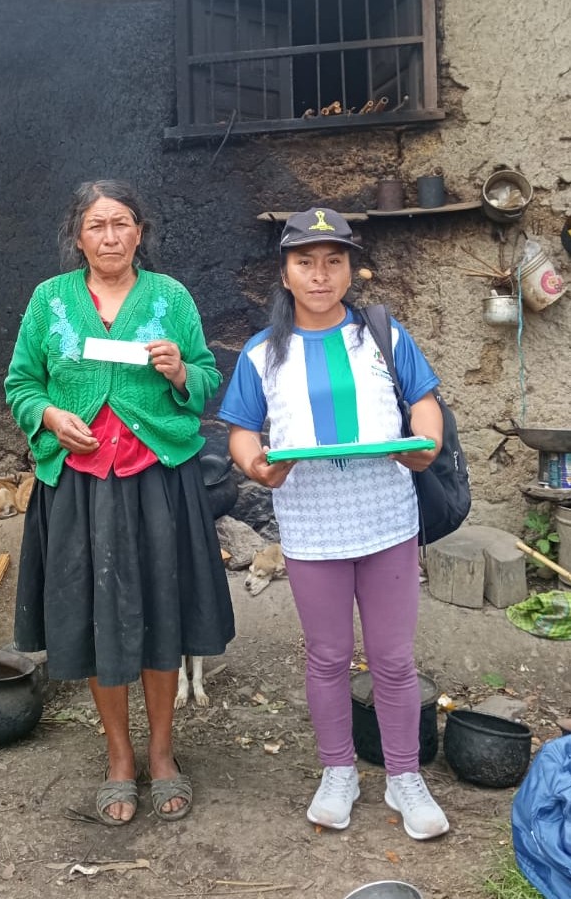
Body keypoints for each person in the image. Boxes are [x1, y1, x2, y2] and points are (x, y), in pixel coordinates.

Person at [5, 179, 234, 825]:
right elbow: (21, 380)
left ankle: (163, 754)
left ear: (141, 231)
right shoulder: (50, 300)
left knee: (162, 614)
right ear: (77, 235)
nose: (111, 235)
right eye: (97, 224)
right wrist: (49, 414)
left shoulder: (170, 297)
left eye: (123, 222)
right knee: (98, 619)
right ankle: (119, 757)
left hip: (157, 478)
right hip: (79, 485)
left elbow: (209, 376)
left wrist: (182, 372)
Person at [218, 207, 449, 840]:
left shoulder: (382, 335)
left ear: (351, 269)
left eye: (334, 261)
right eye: (305, 263)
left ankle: (405, 778)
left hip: (386, 519)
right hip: (313, 524)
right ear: (285, 273)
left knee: (394, 660)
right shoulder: (264, 353)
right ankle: (338, 771)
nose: (320, 276)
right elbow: (242, 430)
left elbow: (424, 403)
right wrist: (256, 466)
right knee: (325, 656)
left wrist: (423, 442)